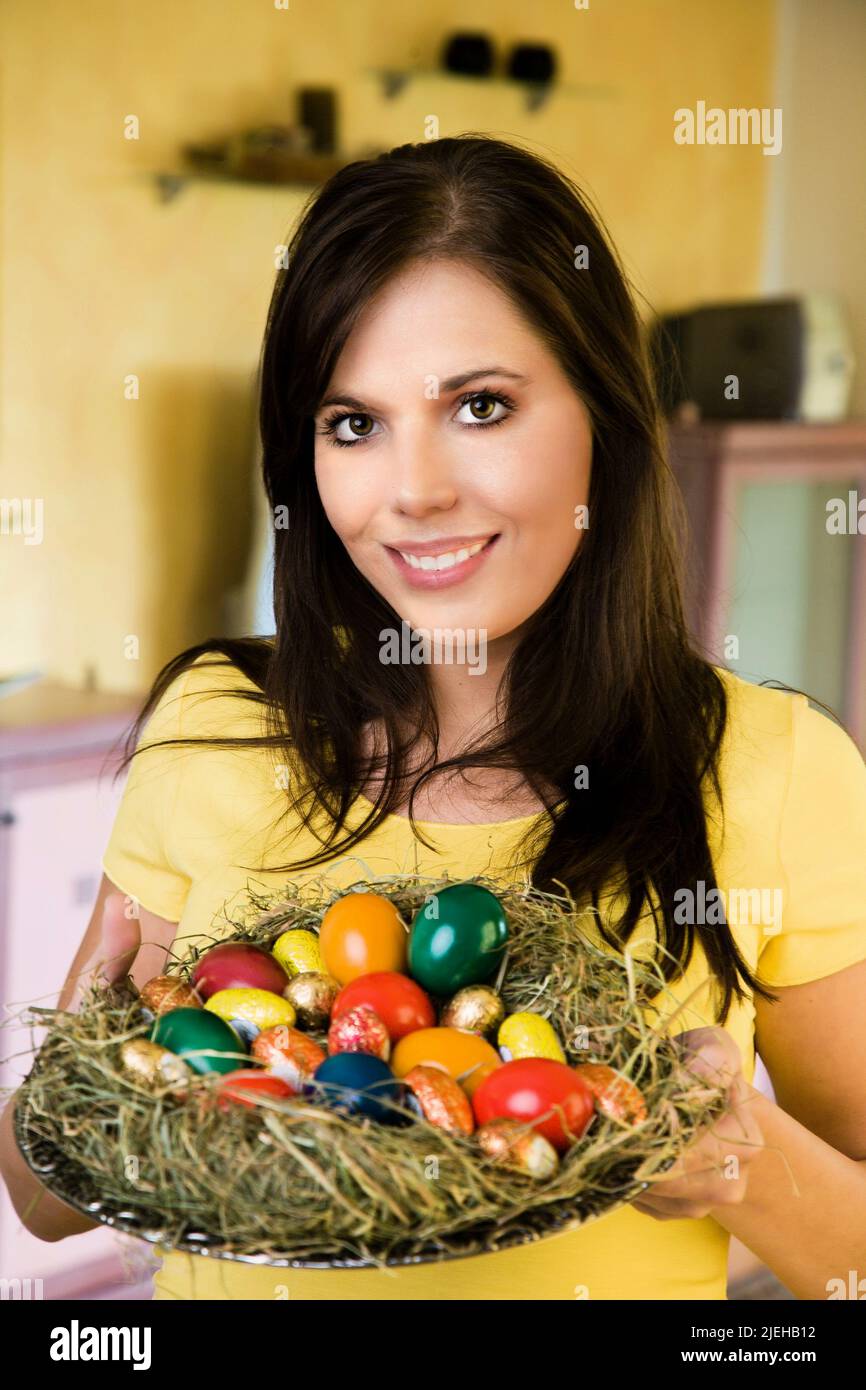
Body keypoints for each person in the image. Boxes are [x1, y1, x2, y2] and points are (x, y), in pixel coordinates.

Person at [3, 135, 866, 1301]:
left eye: (479, 405)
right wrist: (91, 1070)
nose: (410, 490)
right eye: (350, 422)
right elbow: (46, 1200)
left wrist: (743, 1164)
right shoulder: (213, 729)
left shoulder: (768, 770)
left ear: (602, 426)